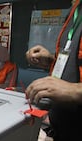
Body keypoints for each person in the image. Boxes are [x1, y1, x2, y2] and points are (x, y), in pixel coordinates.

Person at [25, 0, 82, 140]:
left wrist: (76, 90)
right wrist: (51, 60)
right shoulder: (74, 10)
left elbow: (73, 88)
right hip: (63, 128)